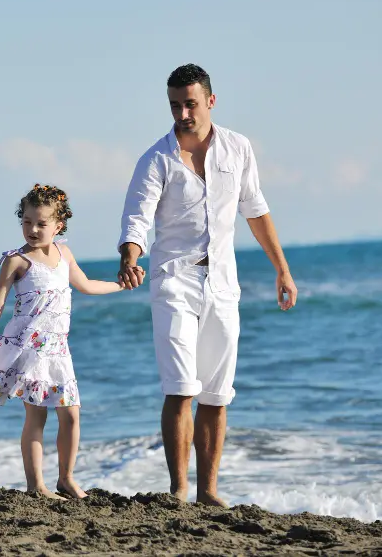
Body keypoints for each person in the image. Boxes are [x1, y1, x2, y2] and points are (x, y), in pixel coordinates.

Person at [117, 63, 298, 507]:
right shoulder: (155, 159)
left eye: (190, 104)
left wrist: (282, 269)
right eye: (175, 105)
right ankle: (178, 489)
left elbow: (255, 210)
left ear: (210, 101)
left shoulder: (237, 148)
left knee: (217, 394)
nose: (183, 113)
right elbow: (137, 218)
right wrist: (130, 257)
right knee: (181, 387)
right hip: (174, 281)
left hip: (222, 284)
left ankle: (208, 490)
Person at [0, 185, 123, 500]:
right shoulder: (17, 261)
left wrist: (120, 285)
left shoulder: (64, 254)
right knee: (37, 416)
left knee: (71, 414)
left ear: (58, 226)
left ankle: (67, 479)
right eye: (27, 221)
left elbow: (85, 285)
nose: (32, 229)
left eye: (41, 223)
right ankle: (36, 486)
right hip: (30, 349)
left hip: (59, 351)